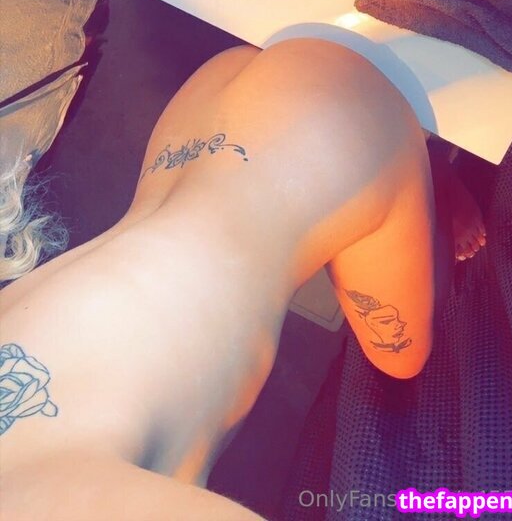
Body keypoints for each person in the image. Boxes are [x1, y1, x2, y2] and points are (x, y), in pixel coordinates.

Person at [1, 38, 454, 519]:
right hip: (203, 107)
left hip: (337, 123)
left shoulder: (49, 500)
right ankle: (379, 205)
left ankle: (437, 187)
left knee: (401, 358)